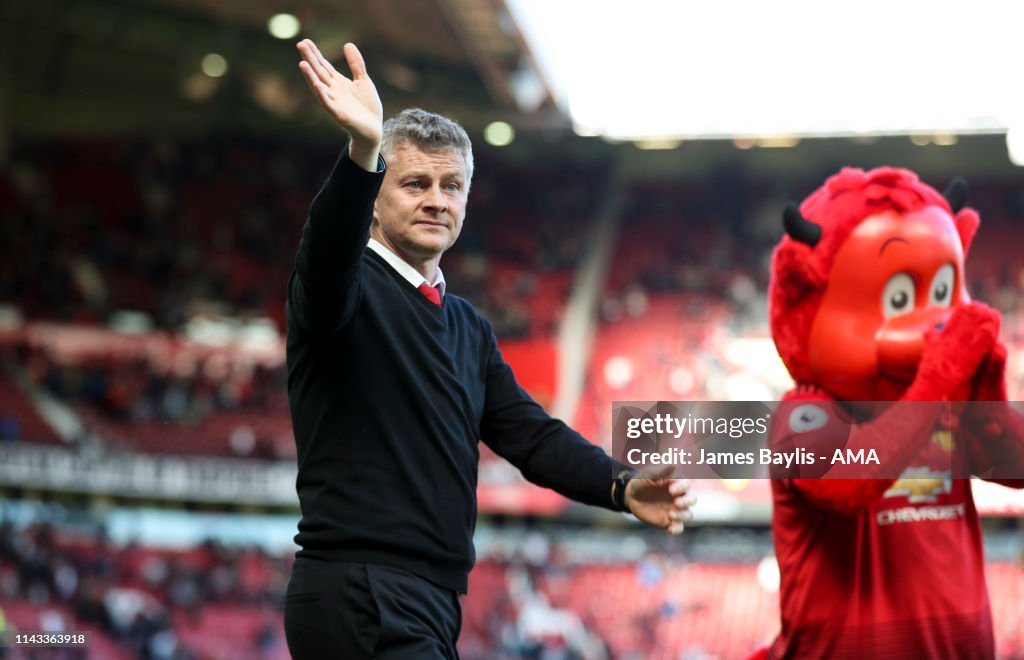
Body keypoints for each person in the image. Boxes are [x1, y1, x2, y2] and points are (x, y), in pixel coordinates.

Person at [283, 38, 696, 659]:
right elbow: (326, 251)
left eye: (451, 186)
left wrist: (621, 486)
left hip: (428, 600)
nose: (436, 200)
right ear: (374, 201)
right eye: (414, 183)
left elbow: (531, 436)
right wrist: (362, 153)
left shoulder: (466, 326)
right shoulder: (344, 290)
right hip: (362, 591)